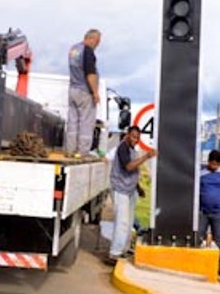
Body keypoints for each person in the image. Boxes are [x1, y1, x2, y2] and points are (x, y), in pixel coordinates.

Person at [105, 126, 156, 265]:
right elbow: (128, 167)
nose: (135, 140)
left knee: (128, 223)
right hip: (120, 189)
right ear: (127, 135)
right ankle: (114, 253)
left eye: (137, 138)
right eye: (133, 137)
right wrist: (147, 156)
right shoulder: (122, 148)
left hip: (130, 190)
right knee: (122, 222)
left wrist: (138, 188)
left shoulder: (132, 150)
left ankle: (123, 249)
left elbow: (133, 172)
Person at [65, 29, 101, 155]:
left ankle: (70, 150)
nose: (97, 45)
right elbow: (90, 73)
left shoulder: (74, 49)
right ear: (90, 38)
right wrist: (95, 92)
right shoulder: (87, 51)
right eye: (97, 41)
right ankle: (82, 152)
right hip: (84, 91)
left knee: (72, 121)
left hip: (72, 89)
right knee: (86, 122)